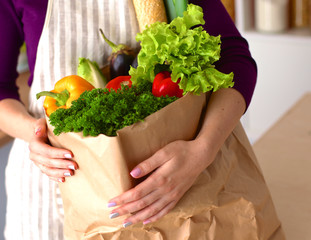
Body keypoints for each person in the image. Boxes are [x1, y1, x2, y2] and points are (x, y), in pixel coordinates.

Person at [0, 0, 257, 239]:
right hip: (45, 185)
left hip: (165, 188)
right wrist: (34, 132)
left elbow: (234, 58)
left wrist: (203, 149)